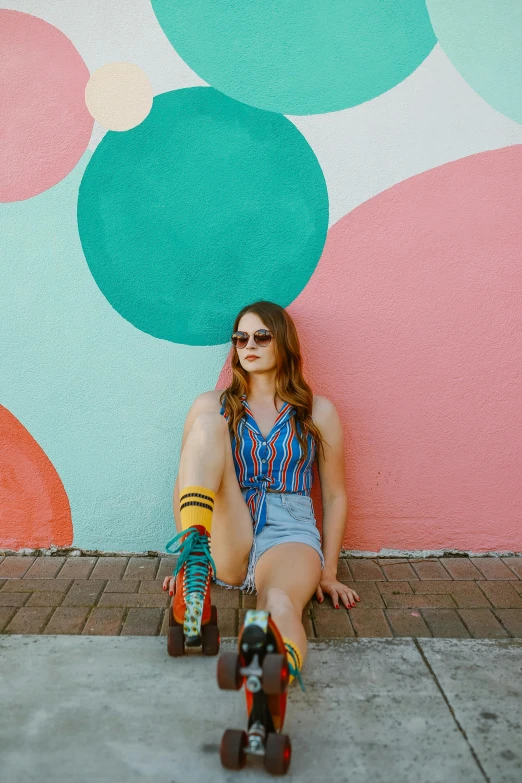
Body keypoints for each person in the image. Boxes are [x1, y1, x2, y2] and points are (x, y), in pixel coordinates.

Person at [162, 300, 360, 685]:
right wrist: (185, 560)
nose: (248, 345)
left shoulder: (317, 412)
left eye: (261, 336)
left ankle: (271, 678)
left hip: (291, 533)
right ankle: (195, 564)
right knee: (208, 425)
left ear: (282, 342)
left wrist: (330, 571)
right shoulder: (214, 405)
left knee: (279, 603)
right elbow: (185, 479)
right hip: (229, 528)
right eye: (240, 338)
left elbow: (335, 495)